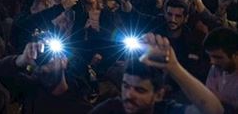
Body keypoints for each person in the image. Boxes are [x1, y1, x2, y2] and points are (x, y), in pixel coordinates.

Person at [89, 33, 224, 114]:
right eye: (125, 86)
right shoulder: (112, 108)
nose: (129, 94)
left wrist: (174, 67)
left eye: (140, 90)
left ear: (159, 95)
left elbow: (215, 110)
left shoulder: (166, 110)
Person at [203, 27, 238, 112]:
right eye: (210, 56)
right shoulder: (216, 68)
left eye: (217, 57)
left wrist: (220, 98)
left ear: (235, 55)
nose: (212, 62)